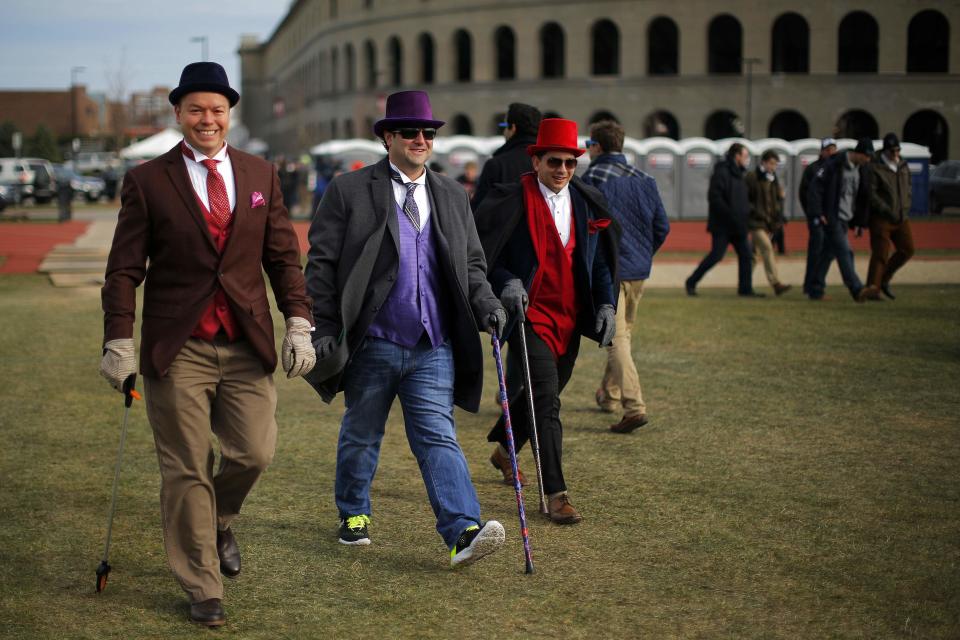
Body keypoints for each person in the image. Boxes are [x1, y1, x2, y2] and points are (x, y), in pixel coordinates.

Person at [99, 62, 316, 627]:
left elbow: (282, 260)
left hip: (246, 343)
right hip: (179, 348)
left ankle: (219, 522)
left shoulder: (260, 174)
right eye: (196, 109)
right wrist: (119, 339)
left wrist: (299, 321)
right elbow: (123, 270)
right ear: (178, 114)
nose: (207, 119)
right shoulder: (147, 180)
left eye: (217, 109)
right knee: (187, 468)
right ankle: (202, 586)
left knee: (253, 453)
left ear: (229, 114)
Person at [303, 90, 506, 566]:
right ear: (388, 137)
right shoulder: (349, 190)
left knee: (438, 435)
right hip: (372, 340)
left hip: (433, 343)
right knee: (361, 433)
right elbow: (321, 265)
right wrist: (325, 326)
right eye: (411, 132)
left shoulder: (453, 195)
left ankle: (463, 532)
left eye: (429, 133)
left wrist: (489, 303)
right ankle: (353, 512)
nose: (421, 140)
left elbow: (472, 264)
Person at [475, 118, 619, 524]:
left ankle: (504, 450)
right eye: (554, 161)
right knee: (547, 401)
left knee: (541, 397)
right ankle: (556, 493)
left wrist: (607, 304)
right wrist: (506, 281)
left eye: (570, 163)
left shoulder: (587, 203)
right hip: (528, 317)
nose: (562, 170)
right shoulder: (510, 200)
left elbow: (601, 264)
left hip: (571, 318)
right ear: (535, 160)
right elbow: (486, 256)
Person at [581, 120, 669, 434]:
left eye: (589, 145)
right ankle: (611, 394)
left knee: (616, 339)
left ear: (598, 147)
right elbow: (662, 227)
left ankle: (634, 407)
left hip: (610, 272)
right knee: (623, 336)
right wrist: (644, 253)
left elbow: (585, 230)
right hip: (638, 271)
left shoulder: (592, 178)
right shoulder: (645, 179)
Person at [806, 137, 879, 302]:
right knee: (845, 251)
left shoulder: (862, 169)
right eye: (866, 156)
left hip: (846, 217)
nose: (867, 160)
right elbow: (815, 188)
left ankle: (815, 289)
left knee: (827, 253)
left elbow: (862, 196)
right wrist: (818, 212)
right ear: (858, 153)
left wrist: (860, 222)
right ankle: (857, 289)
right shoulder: (834, 165)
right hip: (833, 217)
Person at [685, 143, 763, 297]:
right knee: (716, 255)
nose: (747, 160)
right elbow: (714, 198)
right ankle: (691, 282)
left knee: (746, 255)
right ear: (737, 156)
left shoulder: (741, 174)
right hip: (723, 225)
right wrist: (730, 214)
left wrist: (747, 212)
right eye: (745, 156)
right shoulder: (721, 172)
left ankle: (745, 289)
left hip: (739, 224)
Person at [866, 133, 914, 299]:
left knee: (907, 249)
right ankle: (873, 289)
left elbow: (908, 187)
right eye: (892, 151)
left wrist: (906, 206)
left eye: (898, 150)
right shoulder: (876, 167)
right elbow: (871, 194)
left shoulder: (903, 165)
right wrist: (886, 210)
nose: (896, 154)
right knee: (880, 254)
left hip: (901, 216)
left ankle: (883, 279)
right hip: (882, 218)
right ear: (885, 150)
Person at [471, 102, 542, 210]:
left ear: (513, 128)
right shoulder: (549, 161)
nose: (504, 131)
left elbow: (478, 209)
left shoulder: (496, 164)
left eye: (504, 126)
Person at [745, 150, 791, 296]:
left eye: (775, 164)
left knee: (753, 255)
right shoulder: (752, 177)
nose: (773, 167)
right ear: (763, 162)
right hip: (755, 222)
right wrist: (755, 211)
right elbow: (746, 198)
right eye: (771, 163)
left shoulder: (773, 178)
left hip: (767, 222)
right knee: (767, 248)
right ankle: (775, 283)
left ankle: (744, 284)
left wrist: (778, 216)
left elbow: (775, 201)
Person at [799, 138, 838, 297]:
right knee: (816, 250)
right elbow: (804, 193)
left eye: (833, 149)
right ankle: (811, 286)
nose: (831, 152)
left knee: (831, 250)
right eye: (828, 149)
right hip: (817, 218)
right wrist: (813, 213)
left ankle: (816, 284)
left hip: (833, 218)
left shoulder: (837, 169)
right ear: (822, 151)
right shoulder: (813, 169)